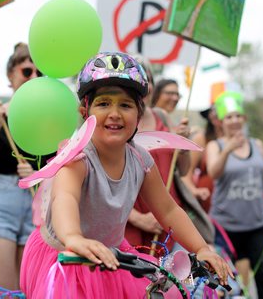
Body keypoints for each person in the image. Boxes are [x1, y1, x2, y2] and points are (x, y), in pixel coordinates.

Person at [20, 52, 232, 298]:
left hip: (112, 254)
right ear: (84, 111)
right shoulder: (78, 158)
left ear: (140, 115)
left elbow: (168, 209)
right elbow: (64, 198)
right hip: (65, 255)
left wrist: (202, 248)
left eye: (125, 105)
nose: (115, 113)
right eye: (103, 103)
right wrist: (74, 238)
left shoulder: (141, 160)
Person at [0, 42, 53, 294]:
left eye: (39, 74)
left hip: (36, 204)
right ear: (11, 75)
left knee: (29, 290)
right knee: (4, 293)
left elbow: (59, 167)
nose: (33, 78)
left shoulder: (51, 120)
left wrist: (38, 175)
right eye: (27, 71)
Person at [206, 91, 263, 299]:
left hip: (258, 224)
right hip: (225, 226)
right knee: (224, 282)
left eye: (238, 116)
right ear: (221, 122)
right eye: (229, 117)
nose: (234, 120)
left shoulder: (257, 145)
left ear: (244, 118)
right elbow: (213, 173)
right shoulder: (215, 146)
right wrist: (228, 149)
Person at [125, 56, 192, 252]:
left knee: (179, 280)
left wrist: (183, 144)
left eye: (148, 80)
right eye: (136, 79)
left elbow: (183, 169)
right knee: (139, 281)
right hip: (132, 223)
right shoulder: (116, 122)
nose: (144, 86)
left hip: (169, 218)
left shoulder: (161, 116)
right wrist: (139, 219)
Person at [181, 106, 223, 212]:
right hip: (207, 199)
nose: (216, 116)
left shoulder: (239, 141)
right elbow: (186, 173)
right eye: (213, 113)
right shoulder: (202, 138)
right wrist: (194, 190)